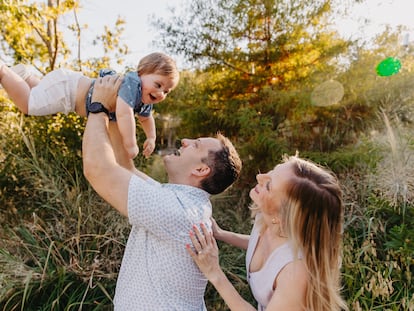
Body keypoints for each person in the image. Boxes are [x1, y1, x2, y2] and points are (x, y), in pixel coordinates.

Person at [82, 74, 242, 310]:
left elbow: (97, 169)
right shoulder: (182, 202)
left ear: (200, 169)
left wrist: (98, 107)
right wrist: (116, 112)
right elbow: (125, 167)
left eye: (195, 144)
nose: (185, 140)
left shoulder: (175, 210)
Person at [186, 155, 349, 311]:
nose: (260, 177)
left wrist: (214, 273)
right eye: (271, 172)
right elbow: (261, 244)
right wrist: (221, 234)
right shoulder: (267, 218)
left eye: (269, 184)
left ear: (283, 216)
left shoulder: (295, 274)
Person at [0, 52, 179, 159]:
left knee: (39, 92)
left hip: (67, 90)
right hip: (68, 89)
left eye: (167, 91)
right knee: (28, 104)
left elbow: (146, 119)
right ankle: (3, 71)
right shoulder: (132, 86)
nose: (161, 93)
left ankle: (25, 76)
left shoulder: (144, 100)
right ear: (141, 73)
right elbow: (124, 114)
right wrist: (131, 144)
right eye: (158, 85)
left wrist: (152, 137)